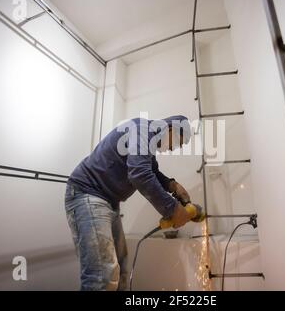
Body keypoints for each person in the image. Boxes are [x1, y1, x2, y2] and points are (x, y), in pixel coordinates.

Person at [64, 115, 193, 290]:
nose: (172, 149)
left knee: (120, 269)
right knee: (102, 275)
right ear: (170, 128)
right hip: (88, 193)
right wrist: (173, 209)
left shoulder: (146, 138)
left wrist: (172, 184)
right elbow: (140, 174)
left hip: (107, 200)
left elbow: (151, 170)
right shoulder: (142, 130)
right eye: (177, 142)